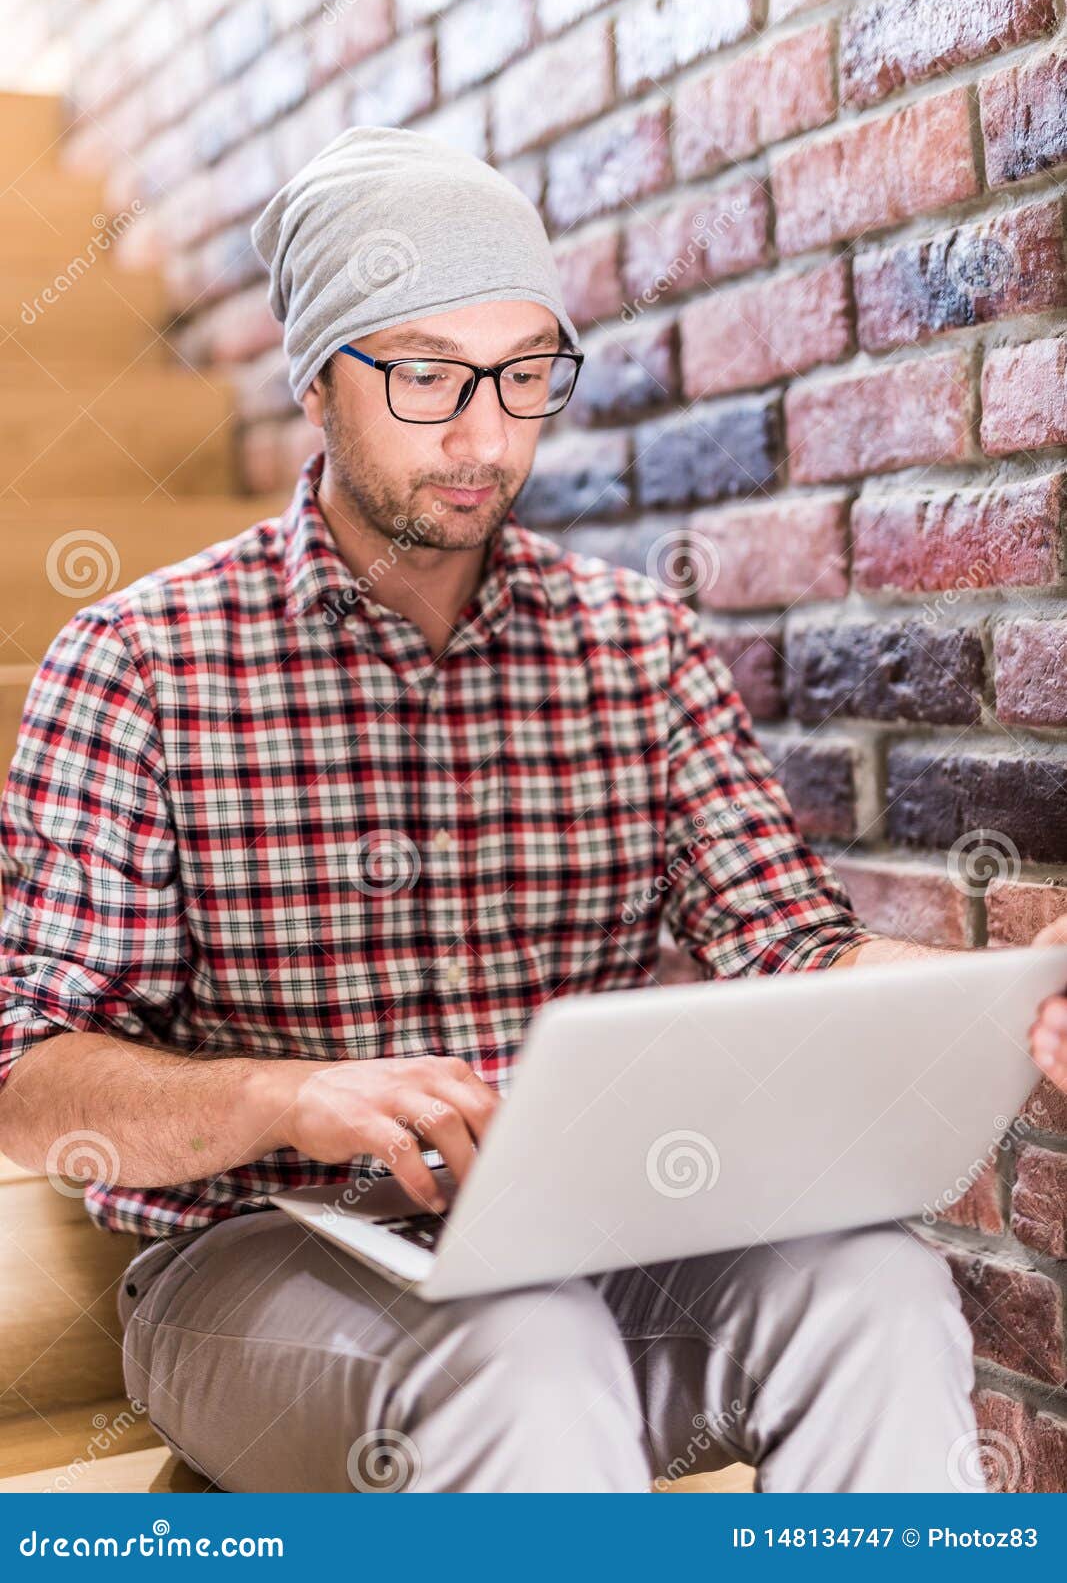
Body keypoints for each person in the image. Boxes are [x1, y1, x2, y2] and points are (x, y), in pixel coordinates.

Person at [0, 127, 1063, 1494]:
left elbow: (801, 948)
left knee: (876, 1287)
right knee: (527, 1346)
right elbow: (31, 1081)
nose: (487, 435)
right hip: (263, 1259)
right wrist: (296, 1097)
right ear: (317, 383)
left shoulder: (635, 641)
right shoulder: (139, 660)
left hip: (591, 1237)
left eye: (523, 377)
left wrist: (1007, 998)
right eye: (428, 377)